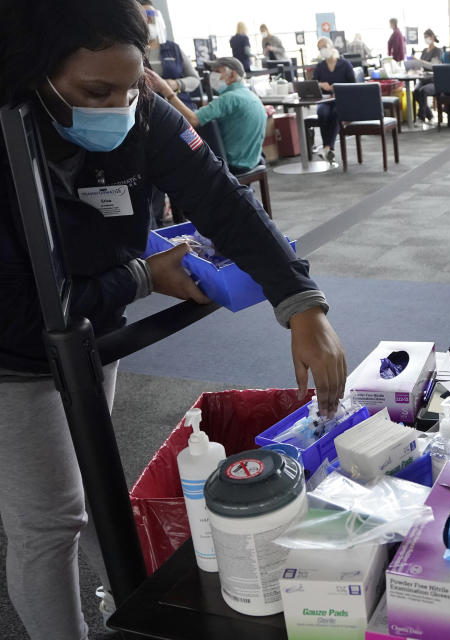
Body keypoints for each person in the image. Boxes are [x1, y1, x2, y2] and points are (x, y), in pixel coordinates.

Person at [0, 1, 347, 637]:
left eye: (133, 86)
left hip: (93, 335)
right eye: (95, 91)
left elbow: (225, 206)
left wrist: (303, 304)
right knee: (49, 522)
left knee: (98, 481)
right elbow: (16, 310)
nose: (118, 107)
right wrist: (142, 278)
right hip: (12, 356)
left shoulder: (143, 115)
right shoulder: (8, 137)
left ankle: (128, 607)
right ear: (33, 76)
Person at [152, 56, 265, 173]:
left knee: (183, 136)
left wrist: (167, 91)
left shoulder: (229, 98)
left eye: (217, 71)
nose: (212, 75)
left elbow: (192, 120)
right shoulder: (252, 96)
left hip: (231, 165)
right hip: (252, 160)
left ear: (232, 75)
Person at [140, 2, 200, 108]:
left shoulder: (173, 49)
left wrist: (177, 84)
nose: (149, 22)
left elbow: (194, 79)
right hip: (147, 109)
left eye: (151, 18)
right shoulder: (133, 51)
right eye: (145, 18)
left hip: (179, 106)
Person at [312, 37, 358, 163]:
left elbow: (353, 85)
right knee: (322, 112)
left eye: (324, 46)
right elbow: (313, 83)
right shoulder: (320, 67)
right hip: (326, 100)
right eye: (319, 48)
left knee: (336, 112)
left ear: (331, 47)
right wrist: (321, 85)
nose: (322, 50)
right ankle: (328, 148)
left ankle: (327, 147)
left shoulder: (345, 64)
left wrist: (338, 89)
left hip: (343, 100)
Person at [412, 28, 444, 126]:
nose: (426, 39)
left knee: (423, 91)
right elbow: (422, 66)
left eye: (427, 37)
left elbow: (433, 66)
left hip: (433, 81)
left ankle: (421, 117)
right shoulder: (424, 51)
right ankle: (429, 115)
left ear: (432, 37)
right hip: (423, 79)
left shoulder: (438, 51)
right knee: (415, 92)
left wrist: (421, 61)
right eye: (425, 37)